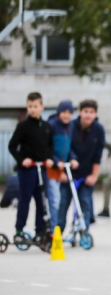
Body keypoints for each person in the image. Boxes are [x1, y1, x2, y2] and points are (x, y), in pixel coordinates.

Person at [7, 92, 55, 244]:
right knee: (25, 200)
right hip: (28, 170)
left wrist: (49, 159)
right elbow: (12, 146)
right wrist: (22, 160)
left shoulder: (47, 126)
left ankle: (40, 230)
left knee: (41, 201)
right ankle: (19, 230)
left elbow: (50, 147)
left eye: (35, 106)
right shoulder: (23, 126)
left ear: (42, 107)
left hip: (42, 169)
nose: (32, 109)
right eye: (30, 106)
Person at [57, 99, 105, 232]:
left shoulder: (99, 129)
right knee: (63, 203)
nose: (88, 115)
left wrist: (94, 175)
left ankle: (84, 231)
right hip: (68, 174)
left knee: (85, 202)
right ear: (79, 112)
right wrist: (60, 173)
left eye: (91, 112)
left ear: (95, 114)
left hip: (86, 175)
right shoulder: (70, 126)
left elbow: (98, 155)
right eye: (85, 112)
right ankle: (57, 233)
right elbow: (62, 150)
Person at [47, 100, 79, 230]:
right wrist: (55, 161)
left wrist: (73, 158)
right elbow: (47, 147)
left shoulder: (70, 127)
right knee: (54, 199)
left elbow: (68, 148)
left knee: (59, 199)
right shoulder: (52, 125)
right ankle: (52, 227)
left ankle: (57, 227)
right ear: (59, 112)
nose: (66, 115)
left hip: (62, 168)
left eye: (69, 112)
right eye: (64, 112)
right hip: (51, 167)